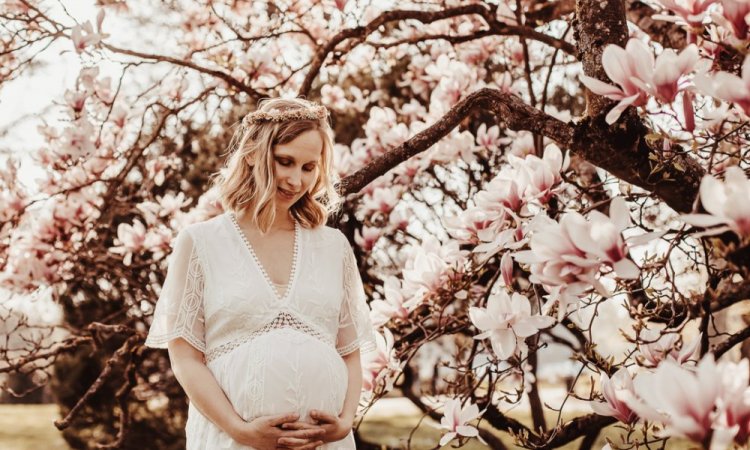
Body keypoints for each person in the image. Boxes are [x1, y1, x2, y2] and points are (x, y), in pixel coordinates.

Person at [144, 98, 377, 450]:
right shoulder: (200, 243)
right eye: (285, 161)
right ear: (253, 152)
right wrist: (240, 430)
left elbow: (349, 352)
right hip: (231, 441)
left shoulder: (334, 247)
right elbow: (185, 358)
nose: (296, 179)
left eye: (309, 167)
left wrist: (345, 422)